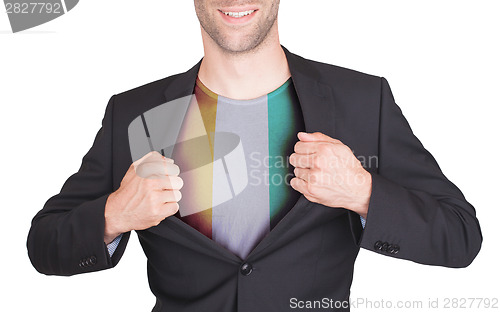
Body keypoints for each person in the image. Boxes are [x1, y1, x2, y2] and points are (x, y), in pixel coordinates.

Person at [27, 1, 482, 311]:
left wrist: (363, 192)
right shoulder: (134, 113)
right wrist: (114, 214)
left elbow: (460, 236)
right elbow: (44, 245)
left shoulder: (363, 101)